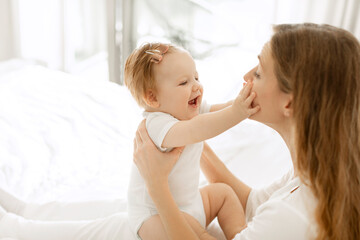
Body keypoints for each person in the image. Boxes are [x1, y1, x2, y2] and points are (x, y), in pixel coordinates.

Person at [133, 23, 360, 240]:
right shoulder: (313, 173)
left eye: (259, 73)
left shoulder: (291, 215)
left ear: (289, 104)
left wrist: (157, 186)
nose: (246, 77)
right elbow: (253, 203)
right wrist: (188, 134)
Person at [124, 42, 259, 240]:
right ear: (152, 98)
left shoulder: (186, 109)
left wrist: (243, 101)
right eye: (184, 82)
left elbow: (219, 110)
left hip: (190, 202)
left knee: (223, 193)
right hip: (155, 215)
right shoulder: (156, 125)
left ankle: (239, 233)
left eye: (196, 77)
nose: (196, 85)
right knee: (196, 232)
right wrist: (236, 113)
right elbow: (198, 129)